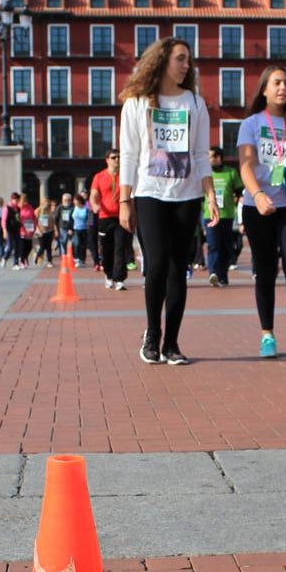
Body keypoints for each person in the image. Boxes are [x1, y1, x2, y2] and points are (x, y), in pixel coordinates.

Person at [118, 37, 218, 364]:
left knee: (179, 269)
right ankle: (152, 334)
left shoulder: (194, 103)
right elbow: (129, 154)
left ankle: (171, 343)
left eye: (188, 60)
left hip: (186, 195)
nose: (186, 65)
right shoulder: (136, 103)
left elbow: (202, 154)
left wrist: (211, 195)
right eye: (180, 59)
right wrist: (125, 200)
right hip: (149, 193)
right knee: (156, 265)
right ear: (161, 61)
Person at [237, 64, 286, 362]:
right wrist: (257, 195)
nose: (282, 88)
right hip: (258, 207)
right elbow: (245, 165)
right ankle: (267, 335)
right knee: (266, 271)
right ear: (264, 89)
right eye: (276, 83)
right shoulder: (251, 124)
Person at [90, 148, 128, 290]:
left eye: (119, 157)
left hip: (120, 217)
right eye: (114, 157)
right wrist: (95, 205)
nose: (117, 160)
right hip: (104, 218)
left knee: (120, 247)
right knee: (106, 249)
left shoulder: (125, 177)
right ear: (107, 160)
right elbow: (93, 194)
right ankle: (108, 274)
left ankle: (119, 279)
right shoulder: (99, 177)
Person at [205, 145, 242, 287]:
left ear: (219, 158)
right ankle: (213, 273)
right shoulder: (206, 175)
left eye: (211, 157)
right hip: (210, 215)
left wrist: (236, 198)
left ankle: (223, 275)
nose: (209, 160)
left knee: (226, 246)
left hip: (227, 215)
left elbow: (239, 190)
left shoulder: (231, 172)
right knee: (213, 244)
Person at [34, 198, 56, 266]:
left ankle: (49, 261)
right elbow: (35, 221)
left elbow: (52, 221)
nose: (47, 204)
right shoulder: (38, 210)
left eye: (48, 202)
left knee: (49, 247)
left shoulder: (49, 211)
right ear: (42, 202)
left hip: (49, 231)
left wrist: (53, 231)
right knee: (42, 247)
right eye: (45, 202)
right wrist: (37, 230)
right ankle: (37, 256)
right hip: (41, 232)